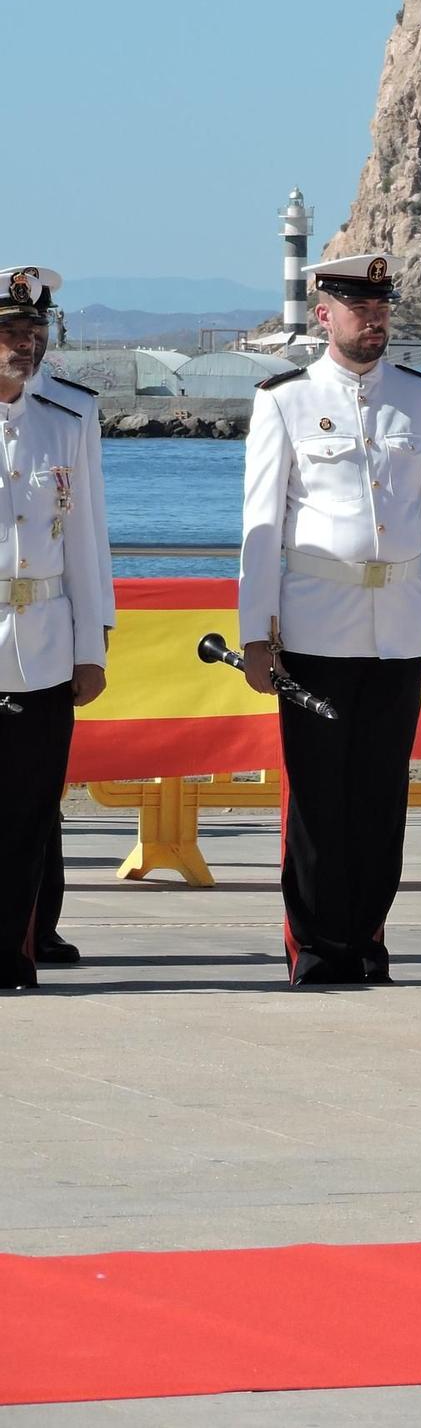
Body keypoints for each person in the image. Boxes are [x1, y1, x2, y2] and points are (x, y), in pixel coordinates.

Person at [238, 254, 421, 987]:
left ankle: (366, 937)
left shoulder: (420, 400)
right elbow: (261, 524)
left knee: (380, 796)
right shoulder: (285, 401)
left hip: (397, 628)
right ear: (324, 314)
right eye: (357, 306)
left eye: (381, 306)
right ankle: (316, 944)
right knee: (316, 797)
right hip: (315, 628)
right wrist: (254, 632)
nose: (374, 318)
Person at [0, 265, 111, 989]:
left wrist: (90, 645)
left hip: (42, 645)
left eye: (36, 332)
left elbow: (87, 541)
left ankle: (12, 950)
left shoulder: (66, 419)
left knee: (29, 814)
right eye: (11, 331)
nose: (26, 345)